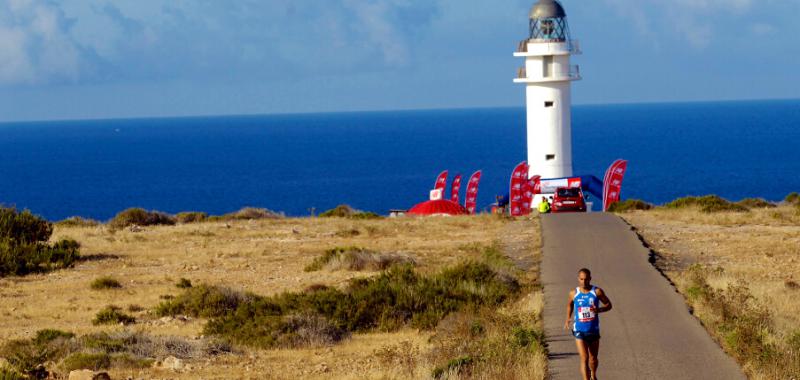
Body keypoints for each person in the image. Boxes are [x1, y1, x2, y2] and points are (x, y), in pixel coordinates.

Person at [564, 268, 612, 380]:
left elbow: (609, 305)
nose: (584, 282)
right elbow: (569, 305)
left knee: (593, 358)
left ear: (590, 279)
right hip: (579, 330)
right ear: (578, 279)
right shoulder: (573, 293)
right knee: (584, 358)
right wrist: (568, 318)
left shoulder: (597, 292)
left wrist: (598, 310)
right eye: (581, 279)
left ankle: (593, 375)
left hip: (593, 330)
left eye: (586, 279)